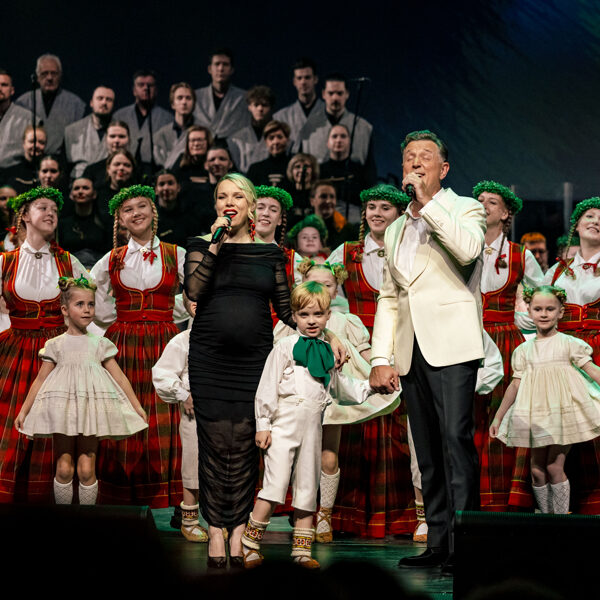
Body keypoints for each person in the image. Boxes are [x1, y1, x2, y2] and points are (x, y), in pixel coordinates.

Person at [183, 173, 346, 566]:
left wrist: (329, 334)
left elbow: (289, 311)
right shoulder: (200, 245)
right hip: (209, 359)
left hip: (253, 361)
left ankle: (239, 529)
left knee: (244, 445)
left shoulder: (270, 254)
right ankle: (216, 529)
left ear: (252, 206)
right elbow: (194, 291)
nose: (229, 202)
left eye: (237, 196)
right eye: (222, 196)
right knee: (213, 444)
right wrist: (216, 242)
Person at [369, 130, 486, 574]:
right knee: (428, 450)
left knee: (455, 440)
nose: (415, 164)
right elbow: (390, 295)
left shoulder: (464, 208)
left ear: (444, 169)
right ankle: (438, 542)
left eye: (425, 157)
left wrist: (427, 206)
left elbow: (468, 250)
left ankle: (466, 544)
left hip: (452, 344)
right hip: (410, 347)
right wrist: (381, 357)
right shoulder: (396, 227)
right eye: (408, 158)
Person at [242, 281, 373, 569]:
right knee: (275, 485)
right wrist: (263, 424)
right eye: (304, 315)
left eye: (317, 314)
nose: (311, 320)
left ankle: (301, 551)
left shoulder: (328, 351)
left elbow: (341, 388)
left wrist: (371, 387)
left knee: (307, 487)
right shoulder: (284, 347)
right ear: (294, 316)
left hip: (314, 426)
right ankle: (249, 545)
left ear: (328, 316)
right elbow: (267, 387)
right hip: (283, 424)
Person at [273, 259, 400, 544]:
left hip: (332, 398)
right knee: (297, 455)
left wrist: (383, 369)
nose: (321, 290)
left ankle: (325, 514)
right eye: (313, 284)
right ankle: (302, 512)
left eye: (327, 285)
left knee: (328, 454)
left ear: (336, 288)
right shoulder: (292, 322)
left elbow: (366, 352)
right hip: (298, 397)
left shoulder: (345, 321)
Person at [327, 184, 417, 539]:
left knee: (397, 426)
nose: (377, 213)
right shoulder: (346, 252)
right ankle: (346, 516)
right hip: (356, 342)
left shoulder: (410, 248)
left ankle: (399, 515)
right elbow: (323, 293)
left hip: (399, 338)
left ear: (399, 214)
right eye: (372, 207)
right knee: (354, 423)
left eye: (386, 208)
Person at [90, 185, 186, 507]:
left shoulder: (176, 253)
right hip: (125, 343)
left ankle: (171, 495)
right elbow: (90, 294)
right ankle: (122, 492)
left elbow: (196, 292)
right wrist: (113, 318)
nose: (136, 213)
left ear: (153, 212)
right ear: (120, 220)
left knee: (165, 413)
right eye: (128, 210)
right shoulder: (112, 259)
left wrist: (171, 313)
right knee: (125, 409)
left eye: (141, 206)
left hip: (164, 341)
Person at [15, 276, 148, 505]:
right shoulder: (55, 345)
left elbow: (120, 378)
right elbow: (39, 380)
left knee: (86, 469)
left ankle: (86, 519)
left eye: (91, 304)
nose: (87, 310)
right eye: (80, 304)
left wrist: (137, 407)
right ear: (65, 310)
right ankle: (65, 519)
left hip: (90, 410)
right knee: (64, 468)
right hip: (63, 410)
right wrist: (24, 411)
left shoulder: (100, 344)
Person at [0, 186, 89, 503]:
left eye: (54, 209)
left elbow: (90, 307)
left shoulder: (68, 262)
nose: (51, 213)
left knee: (56, 430)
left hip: (57, 355)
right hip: (16, 353)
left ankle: (52, 506)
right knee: (10, 426)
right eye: (42, 207)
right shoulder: (5, 262)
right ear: (24, 215)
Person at [490, 285, 600, 514]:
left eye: (550, 309)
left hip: (562, 413)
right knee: (536, 471)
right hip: (537, 414)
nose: (544, 314)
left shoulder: (569, 344)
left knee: (553, 467)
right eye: (538, 309)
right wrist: (498, 417)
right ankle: (547, 519)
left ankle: (560, 520)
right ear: (529, 311)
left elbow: (591, 370)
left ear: (561, 312)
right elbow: (515, 385)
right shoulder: (523, 350)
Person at [473, 180, 544, 511]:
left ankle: (501, 499)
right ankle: (466, 496)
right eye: (479, 200)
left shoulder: (519, 254)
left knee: (502, 417)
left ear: (505, 214)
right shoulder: (461, 246)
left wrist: (521, 320)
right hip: (466, 337)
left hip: (504, 340)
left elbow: (544, 297)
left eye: (491, 202)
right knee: (466, 417)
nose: (483, 205)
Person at [543, 197, 600, 512]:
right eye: (589, 216)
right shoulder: (556, 271)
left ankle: (593, 505)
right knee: (560, 430)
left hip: (596, 351)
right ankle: (559, 513)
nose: (596, 221)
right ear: (576, 225)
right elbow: (539, 311)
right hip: (562, 353)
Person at [152, 296, 208, 543]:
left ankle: (219, 520)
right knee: (193, 462)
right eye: (193, 299)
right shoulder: (183, 340)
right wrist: (183, 395)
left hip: (222, 410)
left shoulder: (224, 339)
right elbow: (163, 374)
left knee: (223, 464)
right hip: (195, 412)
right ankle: (189, 520)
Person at [295, 73, 374, 173]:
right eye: (331, 93)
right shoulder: (307, 127)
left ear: (347, 94)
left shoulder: (364, 127)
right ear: (323, 94)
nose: (335, 98)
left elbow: (370, 169)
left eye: (340, 93)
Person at [16, 54, 85, 154]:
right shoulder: (23, 103)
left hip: (62, 160)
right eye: (44, 73)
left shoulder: (76, 105)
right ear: (37, 77)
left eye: (54, 73)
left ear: (60, 76)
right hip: (30, 159)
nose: (49, 78)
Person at [113, 70, 171, 166]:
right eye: (141, 85)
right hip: (124, 167)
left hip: (155, 168)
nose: (146, 88)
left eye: (150, 85)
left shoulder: (167, 119)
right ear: (134, 90)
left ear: (156, 90)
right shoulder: (119, 116)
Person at [193, 48, 249, 139]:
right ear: (210, 69)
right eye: (217, 64)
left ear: (231, 70)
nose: (221, 68)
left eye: (225, 65)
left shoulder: (244, 98)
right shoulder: (196, 97)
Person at [57, 177, 112, 267]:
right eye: (76, 188)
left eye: (85, 188)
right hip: (69, 270)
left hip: (99, 269)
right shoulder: (62, 224)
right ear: (71, 195)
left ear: (94, 194)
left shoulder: (105, 223)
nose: (80, 191)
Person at [319, 124, 375, 210]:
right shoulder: (318, 171)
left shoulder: (361, 172)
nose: (338, 140)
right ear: (327, 142)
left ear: (350, 141)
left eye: (343, 136)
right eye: (334, 136)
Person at [64, 86, 116, 178]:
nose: (104, 102)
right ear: (91, 103)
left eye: (109, 100)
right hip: (79, 180)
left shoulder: (120, 132)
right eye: (100, 98)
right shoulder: (72, 130)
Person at [273, 58, 323, 143]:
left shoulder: (329, 113)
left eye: (307, 77)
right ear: (294, 82)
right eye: (299, 78)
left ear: (315, 79)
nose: (303, 82)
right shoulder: (281, 117)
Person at [228, 86, 275, 173]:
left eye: (264, 105)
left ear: (271, 107)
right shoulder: (236, 139)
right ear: (249, 107)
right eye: (256, 105)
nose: (260, 109)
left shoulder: (279, 137)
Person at [154, 82, 197, 168]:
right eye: (180, 98)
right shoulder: (161, 135)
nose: (184, 102)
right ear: (173, 104)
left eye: (188, 98)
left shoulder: (202, 132)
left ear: (194, 104)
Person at [0, 69, 36, 169]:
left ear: (12, 90)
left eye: (4, 85)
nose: (0, 88)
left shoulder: (28, 119)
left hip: (16, 173)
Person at [82, 121, 131, 188]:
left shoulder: (140, 170)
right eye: (112, 136)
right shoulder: (91, 171)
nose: (116, 140)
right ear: (106, 139)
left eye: (121, 136)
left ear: (129, 139)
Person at [310, 180, 357, 250]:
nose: (328, 201)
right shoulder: (302, 227)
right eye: (323, 196)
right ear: (312, 201)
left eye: (332, 197)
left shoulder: (348, 230)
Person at [246, 120, 292, 187]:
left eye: (279, 137)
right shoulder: (255, 169)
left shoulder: (295, 167)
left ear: (287, 140)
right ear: (266, 142)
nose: (275, 142)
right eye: (271, 138)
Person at [3, 125, 47, 194]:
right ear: (24, 143)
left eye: (41, 142)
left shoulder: (49, 172)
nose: (36, 145)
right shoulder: (10, 173)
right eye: (32, 141)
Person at [287, 214, 329, 284]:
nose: (310, 240)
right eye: (304, 237)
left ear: (321, 244)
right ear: (296, 244)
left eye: (314, 237)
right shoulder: (290, 264)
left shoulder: (329, 262)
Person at [154, 169, 192, 247]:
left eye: (170, 183)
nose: (166, 188)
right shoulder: (151, 218)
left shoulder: (190, 214)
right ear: (156, 190)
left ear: (178, 187)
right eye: (161, 184)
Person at [171, 125, 213, 190]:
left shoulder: (215, 162)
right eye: (193, 140)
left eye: (200, 140)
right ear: (188, 144)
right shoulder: (180, 162)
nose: (196, 144)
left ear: (208, 142)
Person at [285, 152, 319, 225]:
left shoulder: (317, 194)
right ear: (291, 171)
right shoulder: (286, 195)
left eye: (306, 166)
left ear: (313, 170)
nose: (301, 170)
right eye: (297, 167)